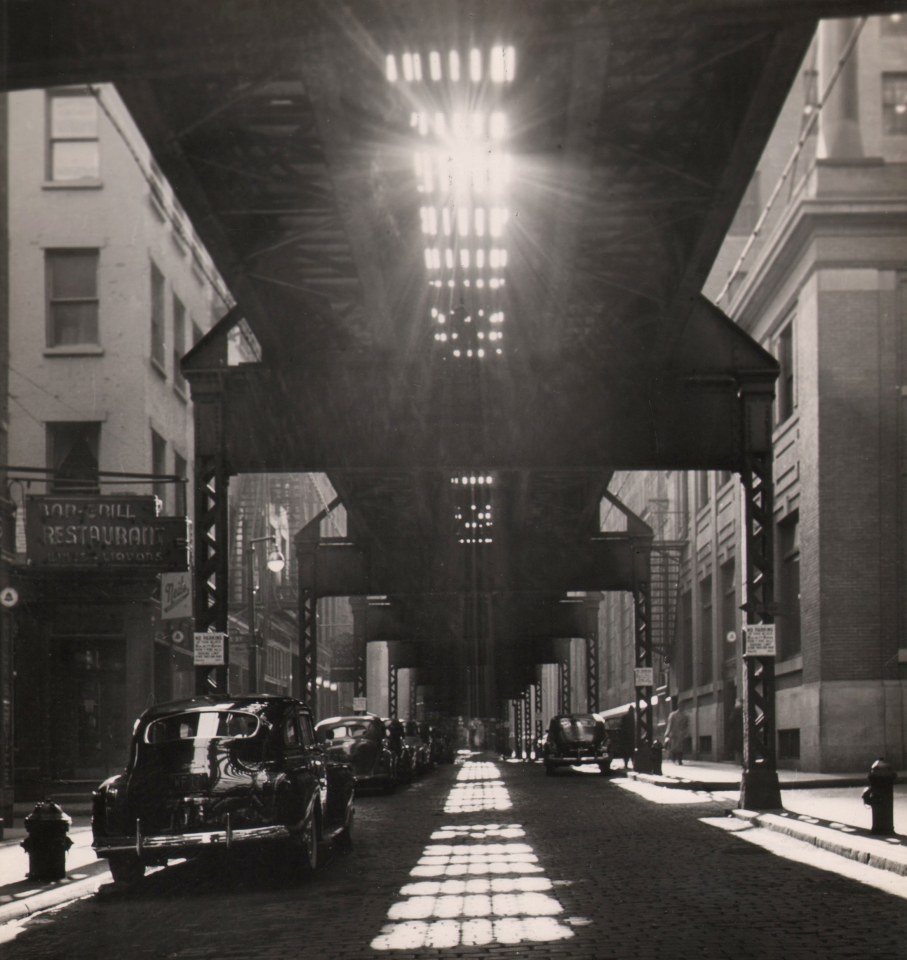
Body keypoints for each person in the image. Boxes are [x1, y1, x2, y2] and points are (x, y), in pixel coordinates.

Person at [664, 698, 690, 765]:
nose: (682, 707)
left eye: (683, 706)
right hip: (674, 734)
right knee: (674, 748)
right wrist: (667, 733)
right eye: (681, 705)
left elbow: (687, 725)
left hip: (681, 733)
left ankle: (679, 760)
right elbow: (670, 724)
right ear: (678, 706)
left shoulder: (685, 715)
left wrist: (686, 732)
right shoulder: (672, 715)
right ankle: (673, 758)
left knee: (681, 748)